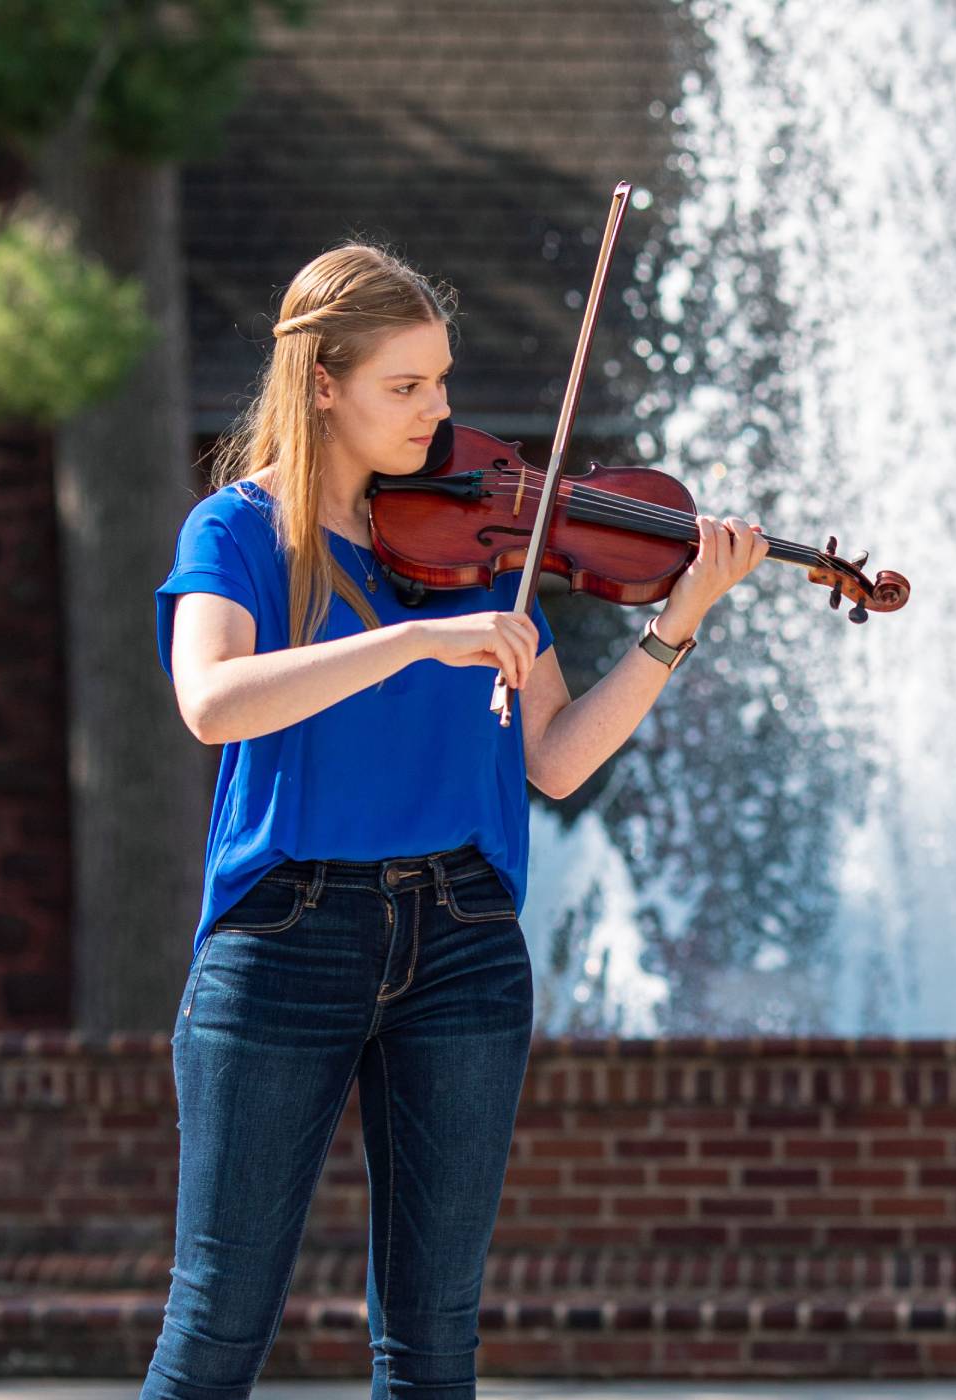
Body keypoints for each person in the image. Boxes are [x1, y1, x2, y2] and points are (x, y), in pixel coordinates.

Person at [142, 243, 762, 1399]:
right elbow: (210, 701)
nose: (440, 413)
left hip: (466, 936)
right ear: (322, 382)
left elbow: (559, 762)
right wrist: (415, 640)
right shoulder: (235, 533)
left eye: (442, 381)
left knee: (433, 1336)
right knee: (219, 1319)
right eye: (406, 386)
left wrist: (676, 624)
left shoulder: (485, 546)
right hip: (287, 933)